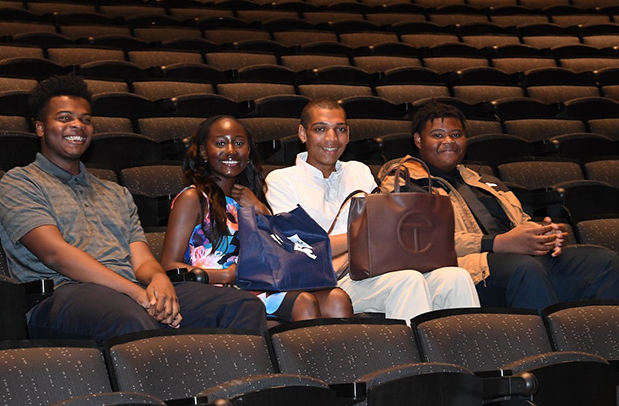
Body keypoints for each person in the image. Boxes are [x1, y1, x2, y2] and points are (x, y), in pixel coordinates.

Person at [0, 74, 267, 345]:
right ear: (40, 128)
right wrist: (138, 294)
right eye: (65, 118)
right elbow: (57, 256)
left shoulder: (114, 192)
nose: (78, 125)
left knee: (241, 305)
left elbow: (141, 259)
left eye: (86, 119)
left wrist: (159, 280)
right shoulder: (20, 182)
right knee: (132, 318)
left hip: (128, 291)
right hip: (62, 295)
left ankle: (224, 387)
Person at [265, 98, 480, 323]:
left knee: (456, 277)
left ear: (348, 134)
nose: (332, 138)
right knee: (407, 280)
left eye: (340, 130)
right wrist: (358, 241)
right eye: (320, 129)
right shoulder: (281, 180)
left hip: (372, 269)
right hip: (328, 280)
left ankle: (467, 354)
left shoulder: (358, 171)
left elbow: (383, 230)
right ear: (302, 133)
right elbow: (304, 248)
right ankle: (411, 357)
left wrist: (357, 244)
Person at [401, 100, 619, 311]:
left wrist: (543, 236)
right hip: (463, 268)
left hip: (517, 258)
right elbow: (421, 243)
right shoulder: (406, 182)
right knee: (524, 269)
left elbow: (521, 223)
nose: (449, 140)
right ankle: (549, 346)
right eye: (438, 135)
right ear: (419, 140)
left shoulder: (486, 181)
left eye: (456, 135)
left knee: (602, 261)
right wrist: (498, 243)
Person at [160, 115, 353, 322]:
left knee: (337, 298)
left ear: (248, 152)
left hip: (256, 285)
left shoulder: (251, 199)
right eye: (220, 143)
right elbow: (168, 264)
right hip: (213, 291)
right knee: (303, 301)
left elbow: (279, 253)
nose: (232, 150)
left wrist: (261, 211)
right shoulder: (193, 198)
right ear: (203, 152)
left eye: (239, 143)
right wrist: (225, 275)